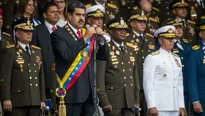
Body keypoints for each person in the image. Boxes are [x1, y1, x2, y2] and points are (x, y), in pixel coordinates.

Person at [51, 1, 108, 116]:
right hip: (72, 92)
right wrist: (86, 37)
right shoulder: (58, 34)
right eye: (78, 15)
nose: (81, 18)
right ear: (69, 16)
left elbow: (103, 57)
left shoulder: (87, 32)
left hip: (89, 93)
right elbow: (66, 55)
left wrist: (101, 39)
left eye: (83, 15)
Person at [0, 17, 46, 116]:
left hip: (35, 100)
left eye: (31, 31)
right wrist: (6, 98)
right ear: (17, 34)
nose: (29, 33)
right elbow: (5, 78)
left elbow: (41, 77)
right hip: (17, 101)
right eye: (25, 31)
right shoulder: (9, 51)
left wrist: (42, 99)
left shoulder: (37, 51)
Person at [96, 17, 140, 116]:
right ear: (111, 31)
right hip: (113, 101)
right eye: (119, 29)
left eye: (124, 30)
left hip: (130, 101)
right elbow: (100, 77)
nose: (122, 32)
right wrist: (104, 101)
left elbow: (135, 77)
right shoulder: (105, 48)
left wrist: (136, 99)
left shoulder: (131, 49)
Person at [143, 25, 185, 116]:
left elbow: (179, 84)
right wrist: (151, 105)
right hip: (160, 106)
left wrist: (181, 105)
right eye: (167, 38)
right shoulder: (153, 58)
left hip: (175, 105)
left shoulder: (177, 58)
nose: (171, 41)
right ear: (160, 40)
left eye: (172, 38)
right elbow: (147, 83)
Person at [31, 1, 59, 113]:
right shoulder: (36, 31)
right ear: (45, 15)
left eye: (57, 12)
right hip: (45, 77)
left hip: (64, 78)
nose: (56, 14)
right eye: (52, 12)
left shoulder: (63, 30)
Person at [165, 18, 192, 115]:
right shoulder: (165, 46)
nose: (179, 30)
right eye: (176, 28)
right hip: (174, 87)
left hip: (187, 85)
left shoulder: (187, 45)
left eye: (180, 27)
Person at [187, 19, 205, 116]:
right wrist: (195, 100)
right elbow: (191, 78)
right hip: (202, 100)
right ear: (201, 35)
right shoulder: (195, 52)